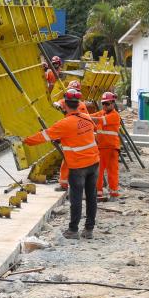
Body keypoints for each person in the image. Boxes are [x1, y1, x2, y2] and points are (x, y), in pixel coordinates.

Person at [24, 88, 100, 239]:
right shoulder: (87, 118)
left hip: (78, 167)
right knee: (91, 197)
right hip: (94, 163)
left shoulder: (64, 124)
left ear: (65, 104)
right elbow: (90, 132)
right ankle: (89, 229)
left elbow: (43, 136)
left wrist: (25, 140)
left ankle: (73, 230)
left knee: (76, 198)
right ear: (78, 104)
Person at [54, 80, 89, 190]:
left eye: (74, 91)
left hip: (76, 137)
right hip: (71, 136)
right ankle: (64, 184)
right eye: (71, 91)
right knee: (68, 160)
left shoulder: (81, 106)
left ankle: (77, 185)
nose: (72, 94)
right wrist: (57, 104)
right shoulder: (66, 102)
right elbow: (59, 103)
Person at [92, 91, 121, 201]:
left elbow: (98, 120)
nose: (105, 106)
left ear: (113, 104)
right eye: (103, 103)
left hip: (111, 148)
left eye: (107, 104)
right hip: (103, 147)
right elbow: (92, 116)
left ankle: (113, 193)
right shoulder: (102, 113)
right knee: (99, 171)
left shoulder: (115, 115)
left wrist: (81, 117)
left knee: (112, 171)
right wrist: (81, 115)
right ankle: (98, 192)